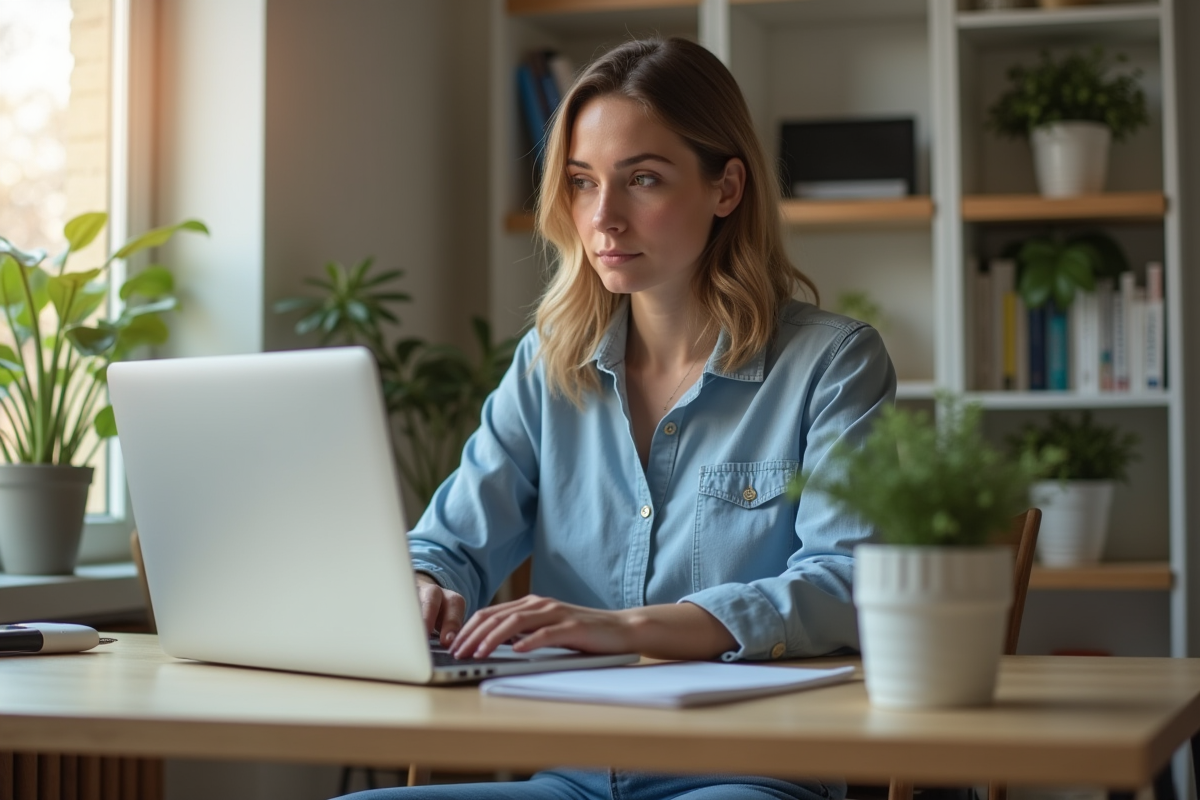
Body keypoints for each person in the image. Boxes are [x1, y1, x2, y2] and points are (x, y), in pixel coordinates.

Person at [343, 36, 895, 800]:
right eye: (580, 182)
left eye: (643, 179)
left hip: (749, 777)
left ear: (726, 187)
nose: (604, 218)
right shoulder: (549, 362)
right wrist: (422, 580)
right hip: (571, 778)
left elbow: (847, 581)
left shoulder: (834, 364)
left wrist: (628, 628)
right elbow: (449, 541)